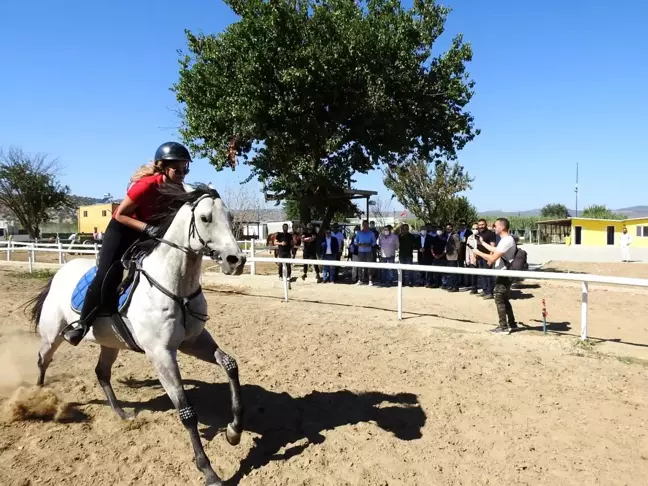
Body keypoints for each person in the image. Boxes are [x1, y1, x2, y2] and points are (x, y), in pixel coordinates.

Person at [62, 142, 193, 346]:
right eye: (178, 168)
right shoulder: (146, 185)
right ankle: (82, 323)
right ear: (163, 166)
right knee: (108, 273)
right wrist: (147, 229)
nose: (182, 172)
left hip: (148, 233)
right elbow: (120, 214)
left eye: (185, 167)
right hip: (121, 230)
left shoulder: (178, 188)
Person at [471, 217, 518, 334]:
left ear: (502, 227)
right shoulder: (505, 240)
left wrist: (478, 253)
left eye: (495, 226)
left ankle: (503, 327)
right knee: (504, 299)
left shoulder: (507, 240)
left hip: (505, 274)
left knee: (498, 297)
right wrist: (482, 243)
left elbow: (492, 257)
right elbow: (495, 249)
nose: (494, 228)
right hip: (504, 273)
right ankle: (512, 324)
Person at [476, 219, 496, 299]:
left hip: (487, 257)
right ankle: (485, 290)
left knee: (488, 275)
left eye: (482, 224)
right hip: (480, 257)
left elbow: (493, 246)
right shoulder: (479, 234)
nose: (481, 226)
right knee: (482, 274)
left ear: (486, 224)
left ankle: (490, 292)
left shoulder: (490, 233)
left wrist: (490, 258)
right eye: (479, 225)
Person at [354, 220, 376, 286]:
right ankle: (360, 280)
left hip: (368, 251)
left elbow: (374, 242)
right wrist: (359, 244)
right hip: (360, 251)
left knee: (369, 266)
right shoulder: (359, 233)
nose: (365, 226)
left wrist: (370, 244)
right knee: (360, 266)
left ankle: (370, 280)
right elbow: (355, 241)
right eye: (364, 224)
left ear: (368, 225)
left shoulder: (371, 233)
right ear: (362, 225)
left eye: (366, 224)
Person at [444, 223, 460, 292]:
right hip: (448, 256)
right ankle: (451, 285)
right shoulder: (447, 235)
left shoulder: (455, 235)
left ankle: (455, 287)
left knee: (454, 273)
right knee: (450, 273)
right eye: (447, 228)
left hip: (453, 257)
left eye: (449, 227)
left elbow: (458, 246)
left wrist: (456, 254)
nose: (448, 229)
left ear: (452, 228)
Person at [464, 223, 479, 294]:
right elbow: (467, 249)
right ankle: (474, 288)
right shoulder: (469, 238)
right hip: (472, 258)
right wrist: (467, 259)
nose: (475, 230)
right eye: (473, 229)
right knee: (473, 274)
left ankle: (487, 290)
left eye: (476, 228)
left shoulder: (481, 237)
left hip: (481, 258)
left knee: (484, 274)